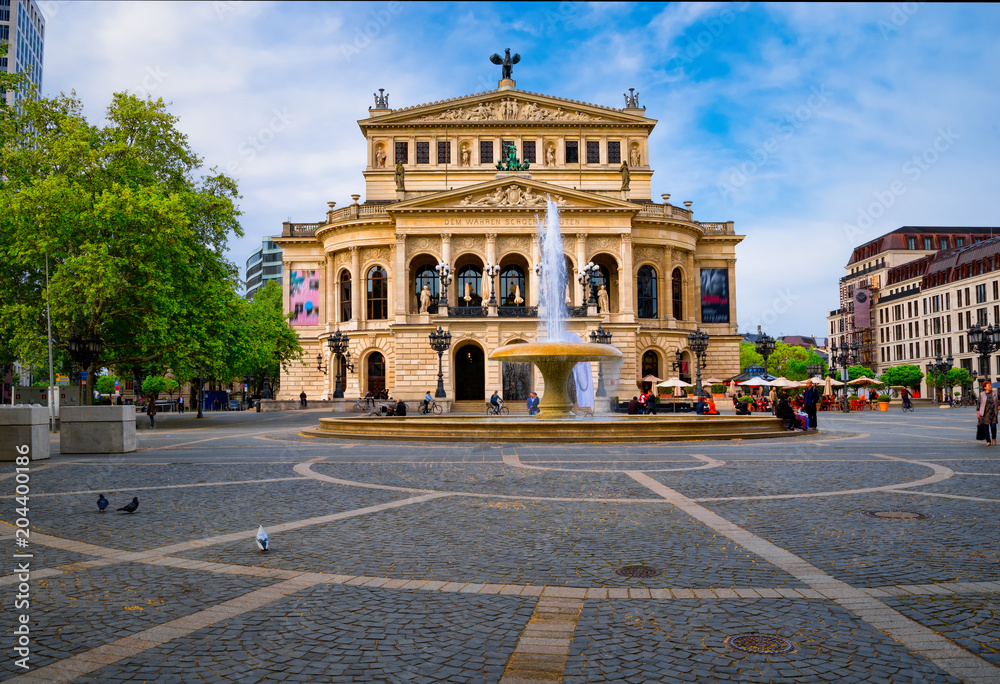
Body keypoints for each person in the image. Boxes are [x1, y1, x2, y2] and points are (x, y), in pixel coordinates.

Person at [978, 380, 998, 445]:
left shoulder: (995, 393)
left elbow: (998, 401)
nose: (990, 386)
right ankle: (988, 441)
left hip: (993, 413)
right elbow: (978, 404)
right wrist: (978, 414)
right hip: (984, 413)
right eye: (989, 385)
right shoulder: (981, 394)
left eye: (990, 385)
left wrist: (999, 405)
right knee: (985, 427)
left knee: (993, 426)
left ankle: (994, 438)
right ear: (985, 387)